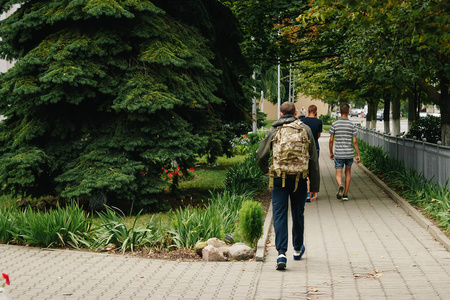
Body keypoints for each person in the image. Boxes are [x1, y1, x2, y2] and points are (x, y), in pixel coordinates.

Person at [257, 102, 320, 270]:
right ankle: (298, 248)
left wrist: (266, 170)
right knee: (298, 213)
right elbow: (313, 159)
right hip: (299, 179)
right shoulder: (305, 129)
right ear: (296, 112)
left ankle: (281, 254)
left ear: (280, 112)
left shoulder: (274, 129)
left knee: (279, 215)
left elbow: (260, 155)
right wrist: (314, 186)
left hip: (279, 178)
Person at [329, 103, 360, 201]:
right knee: (348, 173)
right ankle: (345, 194)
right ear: (348, 111)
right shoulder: (352, 125)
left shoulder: (335, 124)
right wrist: (358, 154)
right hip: (349, 153)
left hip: (339, 153)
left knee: (338, 174)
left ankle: (340, 185)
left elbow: (331, 140)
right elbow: (354, 141)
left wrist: (331, 152)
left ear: (340, 111)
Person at [301, 105, 323, 202]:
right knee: (313, 168)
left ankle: (306, 192)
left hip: (304, 147)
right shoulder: (319, 122)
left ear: (308, 110)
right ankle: (311, 192)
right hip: (315, 147)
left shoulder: (303, 121)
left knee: (305, 168)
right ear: (316, 111)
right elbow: (318, 135)